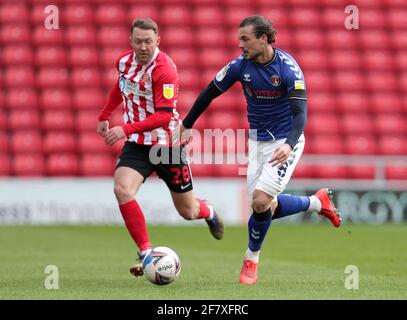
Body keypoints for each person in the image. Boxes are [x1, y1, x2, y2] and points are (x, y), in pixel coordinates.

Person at [172, 15, 341, 285]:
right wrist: (187, 124)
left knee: (261, 202)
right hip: (257, 143)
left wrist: (288, 144)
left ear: (263, 39)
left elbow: (300, 114)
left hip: (286, 142)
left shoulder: (288, 69)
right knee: (263, 207)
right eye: (239, 39)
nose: (240, 44)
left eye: (245, 39)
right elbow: (210, 91)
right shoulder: (240, 66)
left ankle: (251, 260)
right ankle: (317, 203)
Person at [97, 18, 224, 278]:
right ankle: (145, 253)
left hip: (168, 145)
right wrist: (105, 114)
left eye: (148, 41)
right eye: (138, 41)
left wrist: (124, 128)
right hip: (138, 145)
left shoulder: (165, 69)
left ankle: (208, 211)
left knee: (188, 211)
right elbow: (121, 88)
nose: (143, 46)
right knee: (122, 189)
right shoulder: (124, 62)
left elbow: (165, 116)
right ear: (130, 40)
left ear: (158, 41)